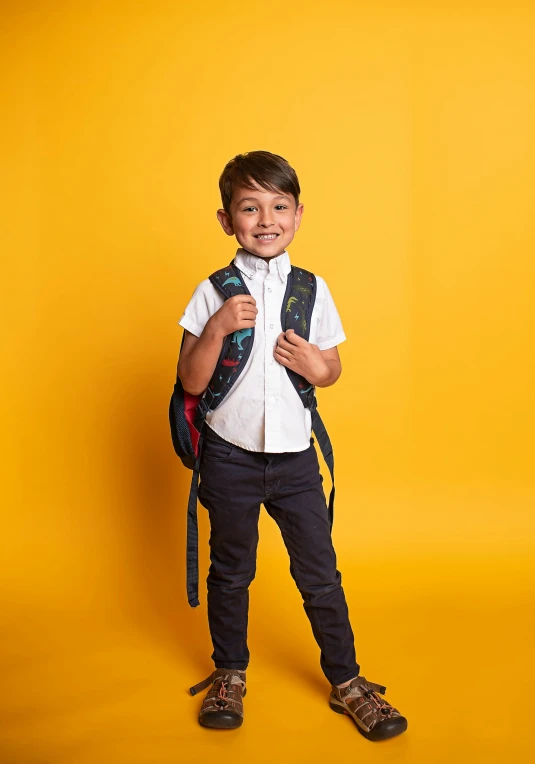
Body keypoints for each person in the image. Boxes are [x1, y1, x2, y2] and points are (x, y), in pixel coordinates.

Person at [177, 150, 408, 741]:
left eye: (279, 206)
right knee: (230, 571)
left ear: (299, 215)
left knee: (321, 574)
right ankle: (229, 672)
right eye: (249, 208)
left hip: (296, 461)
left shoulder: (311, 288)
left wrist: (316, 364)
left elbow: (330, 367)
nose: (266, 218)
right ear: (227, 220)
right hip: (228, 458)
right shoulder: (213, 292)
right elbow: (191, 381)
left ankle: (348, 682)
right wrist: (217, 328)